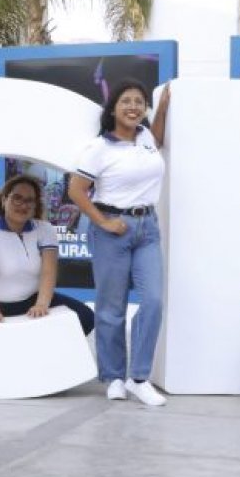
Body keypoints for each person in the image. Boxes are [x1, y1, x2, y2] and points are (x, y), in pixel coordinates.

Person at [67, 79, 171, 406]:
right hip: (113, 228)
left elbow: (157, 137)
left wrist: (164, 106)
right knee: (112, 308)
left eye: (139, 101)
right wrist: (103, 222)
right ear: (113, 109)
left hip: (148, 228)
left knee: (153, 301)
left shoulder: (145, 139)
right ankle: (113, 376)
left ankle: (138, 378)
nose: (133, 107)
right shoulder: (98, 149)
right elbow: (76, 190)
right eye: (126, 101)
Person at [0, 174, 93, 334]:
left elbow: (48, 271)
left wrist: (42, 305)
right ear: (4, 200)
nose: (23, 205)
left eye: (29, 200)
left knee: (86, 317)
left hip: (35, 300)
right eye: (17, 198)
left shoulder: (45, 229)